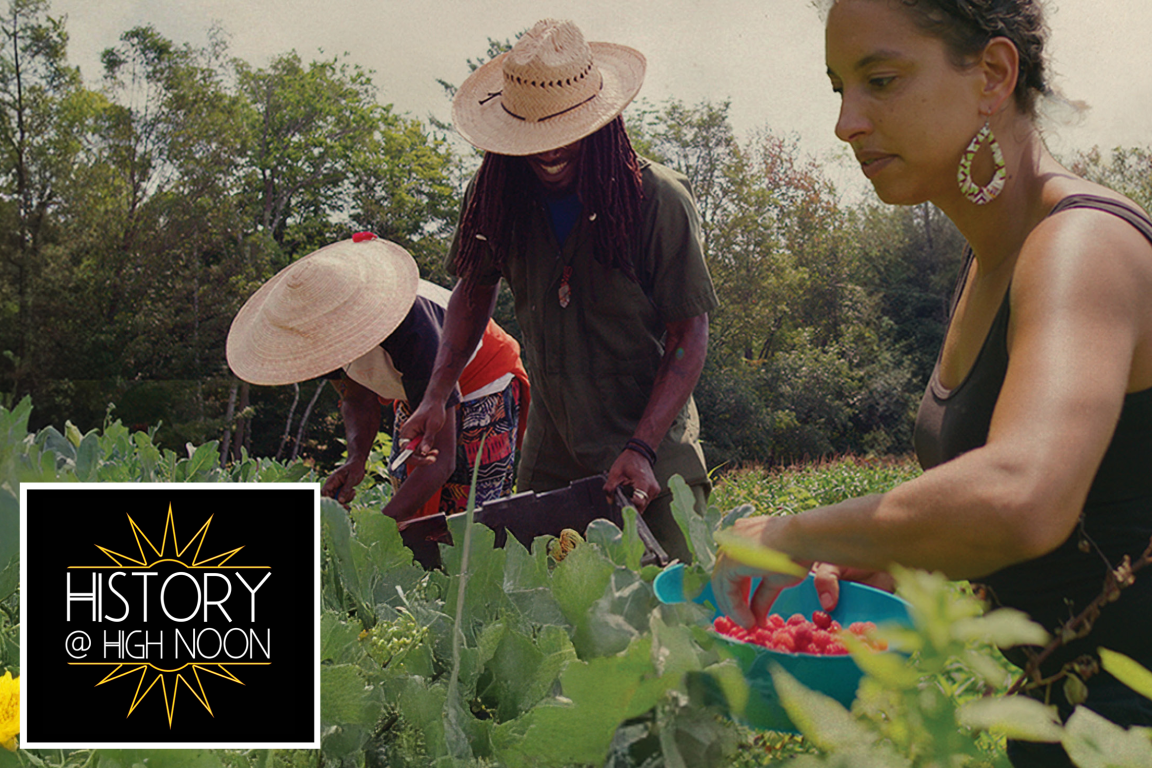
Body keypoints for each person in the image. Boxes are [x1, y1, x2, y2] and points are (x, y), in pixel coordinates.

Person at [712, 1, 1152, 764]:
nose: (847, 122)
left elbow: (1023, 495)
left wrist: (785, 534)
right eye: (838, 88)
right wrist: (905, 557)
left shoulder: (1082, 243)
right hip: (1055, 723)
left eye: (880, 79)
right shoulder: (987, 264)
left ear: (993, 75)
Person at [397, 19, 718, 562]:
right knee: (552, 615)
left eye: (566, 131)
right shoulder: (496, 194)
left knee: (676, 610)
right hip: (553, 451)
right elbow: (472, 292)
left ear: (601, 121)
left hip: (649, 449)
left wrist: (641, 447)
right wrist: (436, 392)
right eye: (534, 135)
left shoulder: (657, 200)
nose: (551, 151)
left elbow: (690, 331)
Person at [225, 233, 529, 524]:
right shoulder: (320, 336)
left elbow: (442, 460)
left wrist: (376, 532)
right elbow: (356, 397)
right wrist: (356, 459)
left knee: (467, 512)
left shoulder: (413, 327)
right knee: (404, 482)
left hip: (481, 378)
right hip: (415, 390)